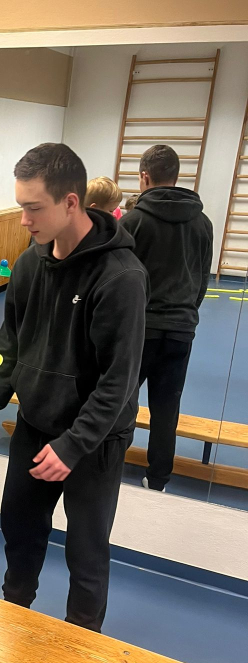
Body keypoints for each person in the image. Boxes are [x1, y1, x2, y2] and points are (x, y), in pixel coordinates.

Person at [0, 143, 147, 632]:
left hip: (94, 441)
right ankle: (13, 620)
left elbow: (118, 381)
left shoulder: (121, 277)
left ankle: (80, 645)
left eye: (33, 208)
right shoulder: (28, 264)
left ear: (71, 202)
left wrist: (73, 445)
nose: (23, 220)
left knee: (86, 551)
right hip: (35, 424)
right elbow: (12, 344)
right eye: (20, 206)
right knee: (20, 531)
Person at [120, 144, 213, 492]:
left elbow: (120, 279)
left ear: (144, 177)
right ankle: (158, 477)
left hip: (140, 328)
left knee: (122, 398)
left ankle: (110, 463)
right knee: (167, 406)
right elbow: (202, 279)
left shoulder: (133, 221)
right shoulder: (203, 222)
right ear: (176, 176)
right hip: (180, 329)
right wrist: (186, 313)